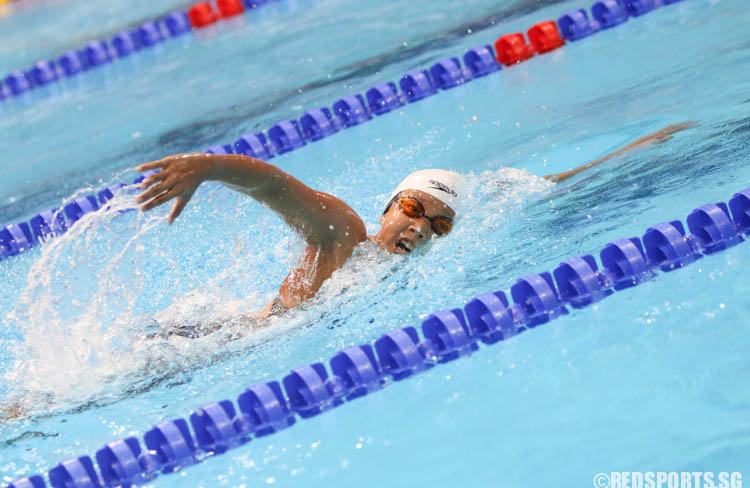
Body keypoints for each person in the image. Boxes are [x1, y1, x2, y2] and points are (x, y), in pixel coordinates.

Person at [136, 121, 697, 318]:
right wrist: (207, 166)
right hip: (220, 344)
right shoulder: (346, 238)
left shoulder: (396, 273)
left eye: (440, 224)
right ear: (388, 207)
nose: (420, 227)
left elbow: (531, 188)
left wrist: (630, 152)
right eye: (412, 209)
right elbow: (277, 186)